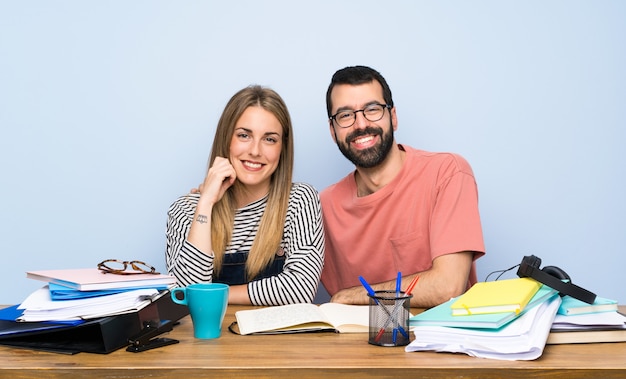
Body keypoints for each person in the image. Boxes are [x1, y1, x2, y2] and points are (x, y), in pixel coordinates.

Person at [320, 66, 485, 308]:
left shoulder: (447, 173)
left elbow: (447, 287)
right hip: (354, 343)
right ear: (333, 131)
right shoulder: (322, 205)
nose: (360, 124)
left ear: (393, 117)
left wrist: (349, 296)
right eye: (345, 116)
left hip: (440, 342)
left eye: (372, 109)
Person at [166, 85, 325, 306]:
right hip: (212, 341)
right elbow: (184, 296)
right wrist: (205, 204)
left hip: (278, 341)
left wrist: (212, 295)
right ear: (226, 139)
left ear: (282, 148)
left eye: (269, 139)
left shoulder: (299, 201)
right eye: (244, 135)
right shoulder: (186, 211)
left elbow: (300, 289)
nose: (255, 151)